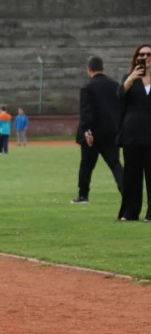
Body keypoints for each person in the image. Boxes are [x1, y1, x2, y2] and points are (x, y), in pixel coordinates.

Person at [72, 56, 123, 204]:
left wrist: (87, 130)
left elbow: (86, 111)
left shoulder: (87, 87)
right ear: (102, 68)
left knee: (86, 166)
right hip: (111, 133)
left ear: (89, 69)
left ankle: (83, 195)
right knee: (115, 164)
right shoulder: (114, 85)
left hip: (92, 134)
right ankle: (126, 191)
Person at [117, 45, 151, 221]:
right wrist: (131, 78)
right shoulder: (129, 79)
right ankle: (129, 212)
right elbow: (119, 95)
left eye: (148, 54)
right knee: (132, 176)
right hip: (132, 134)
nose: (145, 57)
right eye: (141, 54)